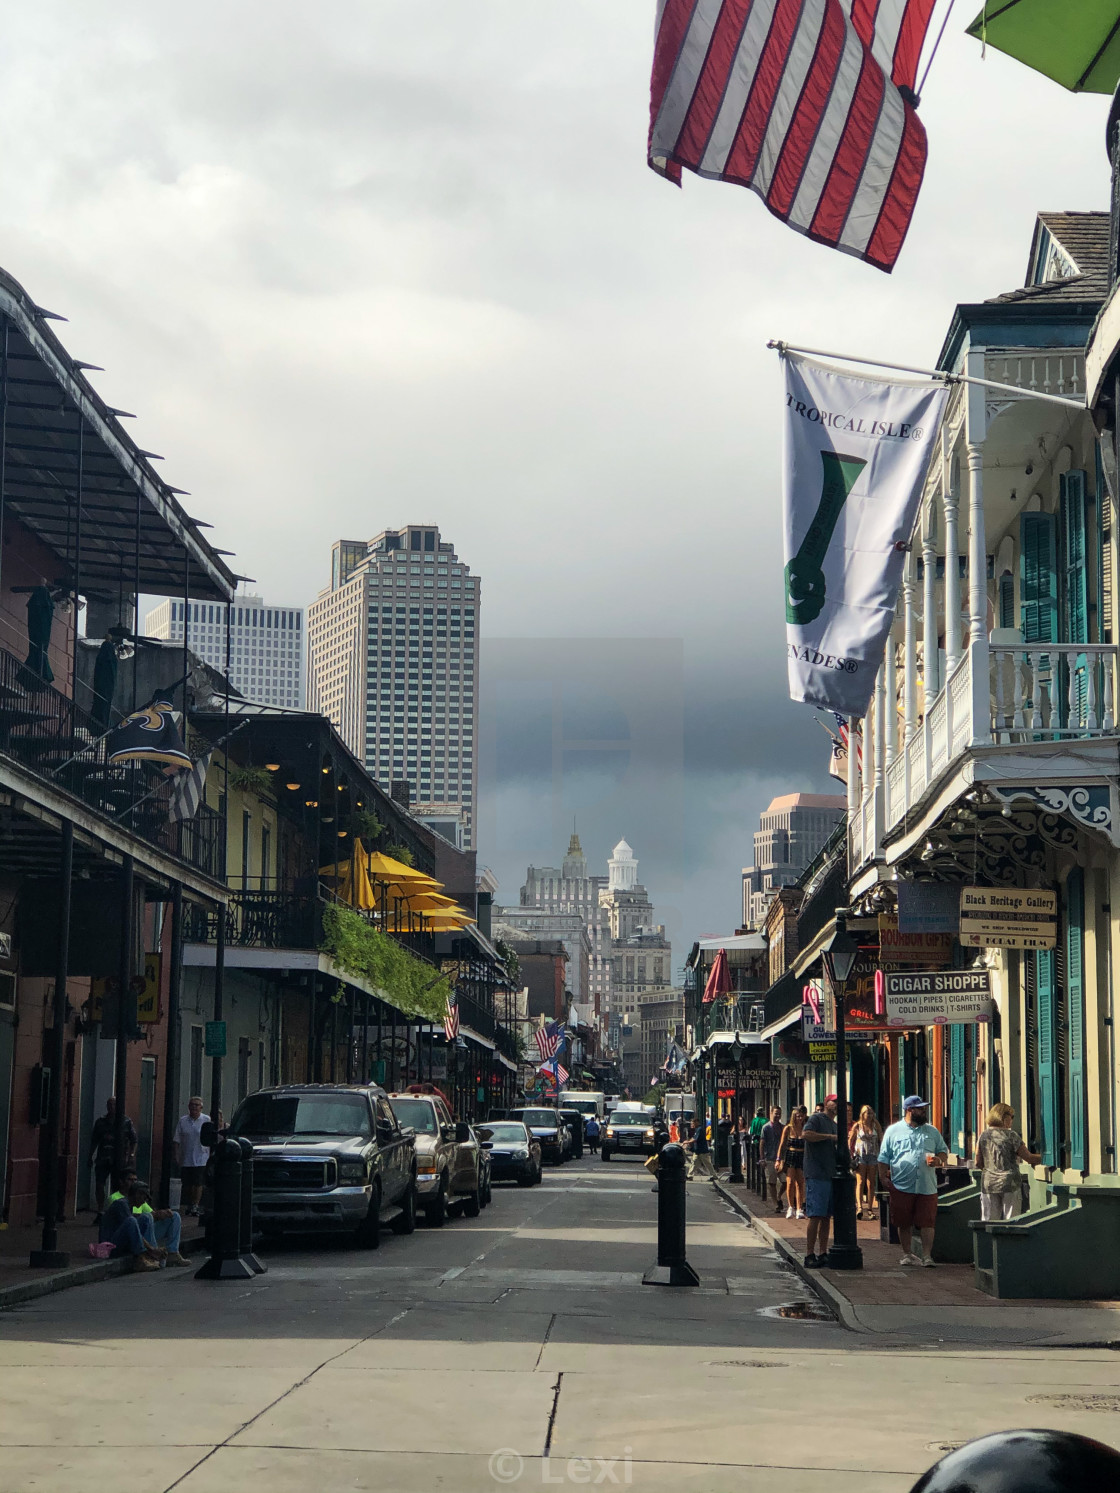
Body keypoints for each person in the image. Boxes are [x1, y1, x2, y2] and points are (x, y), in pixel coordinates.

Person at [877, 1095, 949, 1267]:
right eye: (920, 1109)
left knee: (927, 1222)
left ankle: (926, 1256)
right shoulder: (893, 1131)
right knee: (903, 1221)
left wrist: (939, 1160)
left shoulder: (932, 1131)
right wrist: (881, 1177)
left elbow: (942, 1151)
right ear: (909, 1110)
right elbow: (883, 1157)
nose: (924, 1111)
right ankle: (907, 1254)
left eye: (924, 1108)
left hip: (927, 1184)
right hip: (902, 1183)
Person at [976, 1102, 1040, 1221]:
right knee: (1011, 1220)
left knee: (988, 1220)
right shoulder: (1011, 1136)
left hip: (989, 1183)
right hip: (1010, 1183)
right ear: (1004, 1117)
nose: (1012, 1120)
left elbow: (978, 1162)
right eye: (1012, 1116)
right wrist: (1046, 1158)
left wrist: (991, 1171)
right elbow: (1028, 1157)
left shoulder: (983, 1135)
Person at [801, 1095, 839, 1267]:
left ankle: (823, 1252)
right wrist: (829, 1137)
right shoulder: (817, 1118)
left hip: (830, 1174)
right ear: (826, 1103)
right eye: (834, 1101)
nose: (837, 1105)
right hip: (816, 1174)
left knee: (826, 1216)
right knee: (815, 1215)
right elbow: (806, 1134)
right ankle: (809, 1254)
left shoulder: (836, 1125)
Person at [87, 1095, 137, 1220]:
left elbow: (134, 1140)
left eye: (114, 1105)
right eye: (109, 1105)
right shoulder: (100, 1122)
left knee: (118, 1186)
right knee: (99, 1184)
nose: (111, 1107)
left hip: (119, 1159)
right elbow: (94, 1141)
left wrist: (131, 1155)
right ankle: (100, 1210)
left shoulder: (126, 1121)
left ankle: (116, 1210)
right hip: (103, 1157)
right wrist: (90, 1156)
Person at [98, 1183, 163, 1273]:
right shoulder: (121, 1204)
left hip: (119, 1241)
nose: (144, 1202)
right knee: (131, 1221)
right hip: (108, 1247)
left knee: (146, 1217)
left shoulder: (129, 1205)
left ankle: (152, 1256)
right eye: (144, 1198)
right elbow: (130, 1224)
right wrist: (150, 1248)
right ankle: (140, 1258)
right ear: (137, 1194)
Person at [173, 1095, 212, 1217]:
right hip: (187, 1157)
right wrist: (177, 1155)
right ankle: (190, 1204)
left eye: (197, 1105)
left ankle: (195, 1204)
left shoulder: (206, 1119)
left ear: (201, 1108)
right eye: (192, 1105)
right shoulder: (183, 1120)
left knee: (198, 1182)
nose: (194, 1107)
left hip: (201, 1157)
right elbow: (176, 1140)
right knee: (188, 1184)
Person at [849, 1105, 883, 1220]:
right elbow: (850, 1139)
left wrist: (882, 1152)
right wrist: (851, 1153)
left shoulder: (875, 1124)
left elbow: (881, 1138)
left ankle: (870, 1209)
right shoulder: (858, 1125)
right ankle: (859, 1207)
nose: (869, 1115)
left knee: (871, 1182)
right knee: (860, 1181)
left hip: (873, 1155)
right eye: (867, 1113)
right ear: (862, 1114)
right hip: (861, 1155)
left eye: (871, 1113)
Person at [777, 1106, 807, 1220]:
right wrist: (778, 1159)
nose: (799, 1118)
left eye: (801, 1116)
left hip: (801, 1155)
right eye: (797, 1116)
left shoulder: (805, 1128)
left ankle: (799, 1208)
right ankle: (791, 1207)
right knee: (789, 1182)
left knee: (800, 1182)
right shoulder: (788, 1129)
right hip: (791, 1155)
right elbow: (782, 1144)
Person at [760, 1106, 785, 1215]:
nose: (777, 1116)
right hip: (769, 1158)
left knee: (785, 1181)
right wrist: (762, 1158)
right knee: (772, 1182)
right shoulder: (765, 1128)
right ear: (771, 1113)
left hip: (781, 1159)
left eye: (779, 1114)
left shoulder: (783, 1128)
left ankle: (779, 1196)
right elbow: (762, 1143)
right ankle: (775, 1203)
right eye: (776, 1113)